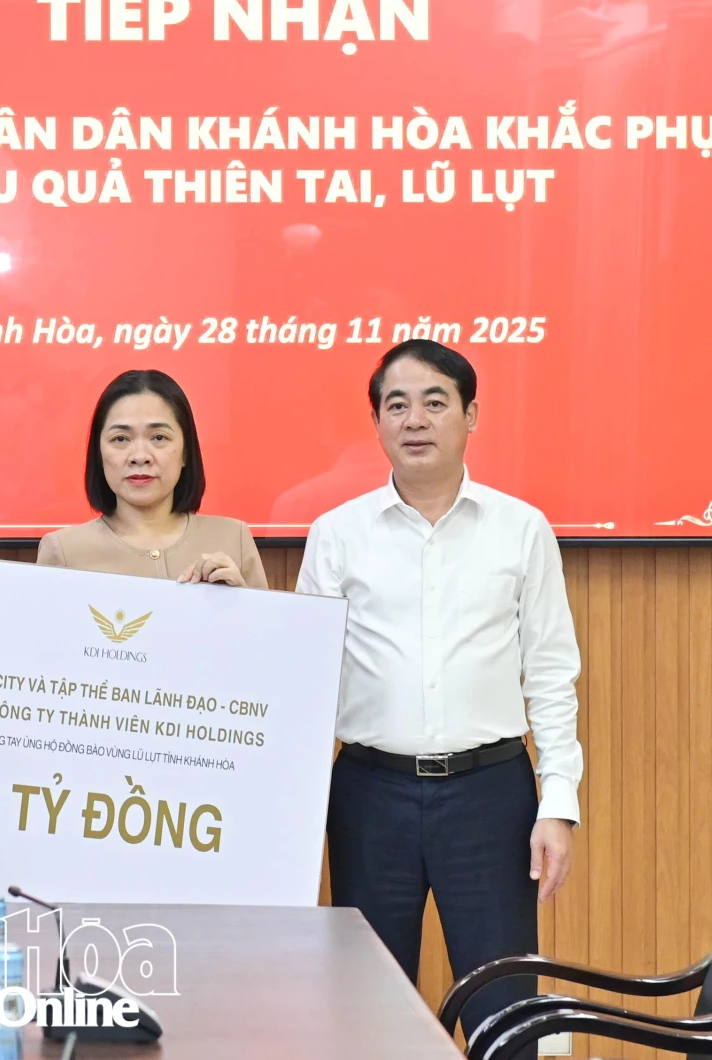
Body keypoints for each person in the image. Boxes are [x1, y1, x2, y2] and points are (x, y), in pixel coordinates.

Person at [297, 340, 581, 1037]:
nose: (415, 419)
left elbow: (551, 671)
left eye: (434, 402)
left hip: (490, 797)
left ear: (470, 414)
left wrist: (559, 802)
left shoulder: (521, 529)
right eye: (397, 405)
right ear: (377, 422)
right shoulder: (337, 534)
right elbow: (306, 680)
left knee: (502, 1011)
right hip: (369, 795)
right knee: (369, 1013)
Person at [36, 369, 268, 586]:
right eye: (120, 439)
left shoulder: (233, 539)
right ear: (99, 454)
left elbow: (262, 618)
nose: (140, 456)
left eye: (158, 437)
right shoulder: (63, 551)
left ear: (186, 451)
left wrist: (239, 602)